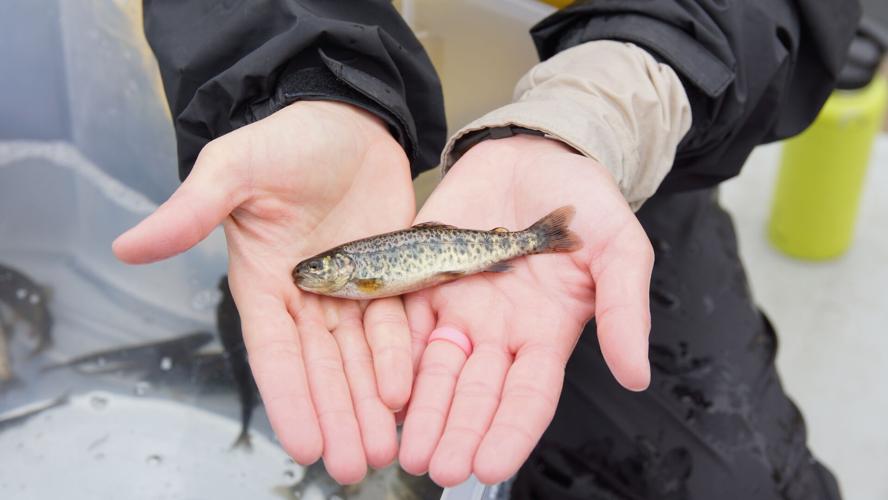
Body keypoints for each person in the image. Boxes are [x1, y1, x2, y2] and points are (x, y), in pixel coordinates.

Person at [114, 0, 860, 498]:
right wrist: (289, 79)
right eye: (322, 276)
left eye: (325, 276)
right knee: (324, 409)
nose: (322, 279)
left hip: (634, 142)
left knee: (743, 479)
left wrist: (599, 118)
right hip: (306, 145)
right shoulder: (320, 254)